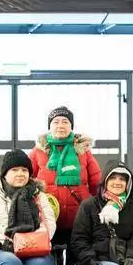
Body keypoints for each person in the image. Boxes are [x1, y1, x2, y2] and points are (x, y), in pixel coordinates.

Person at [30, 105, 102, 249]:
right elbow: (27, 179)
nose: (60, 126)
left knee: (77, 259)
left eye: (65, 121)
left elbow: (96, 181)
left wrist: (95, 205)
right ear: (49, 126)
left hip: (79, 218)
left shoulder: (83, 151)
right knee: (49, 259)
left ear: (71, 126)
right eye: (56, 122)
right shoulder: (38, 152)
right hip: (47, 218)